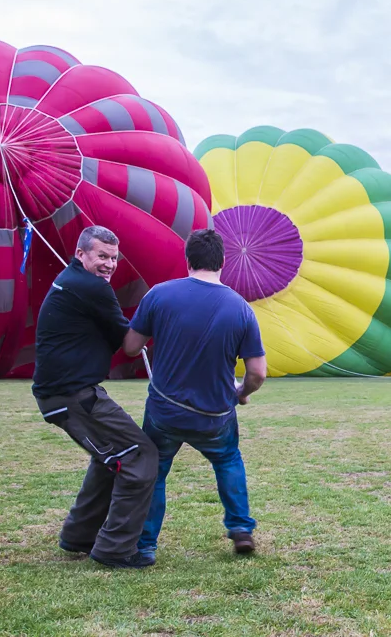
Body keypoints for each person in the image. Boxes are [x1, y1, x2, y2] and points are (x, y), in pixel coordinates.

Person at [122, 229, 268, 561]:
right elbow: (258, 373)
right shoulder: (241, 308)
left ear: (187, 260)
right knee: (228, 459)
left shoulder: (159, 295)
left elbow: (131, 348)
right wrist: (241, 392)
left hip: (165, 411)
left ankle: (145, 547)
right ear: (223, 262)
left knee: (155, 472)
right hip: (215, 414)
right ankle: (241, 529)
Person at [31, 225, 158, 569]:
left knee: (112, 456)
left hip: (66, 392)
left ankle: (78, 536)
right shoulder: (90, 287)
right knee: (140, 455)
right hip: (72, 396)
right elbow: (131, 345)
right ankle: (115, 549)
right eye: (102, 256)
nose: (109, 264)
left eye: (114, 258)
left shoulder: (73, 281)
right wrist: (160, 313)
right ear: (81, 253)